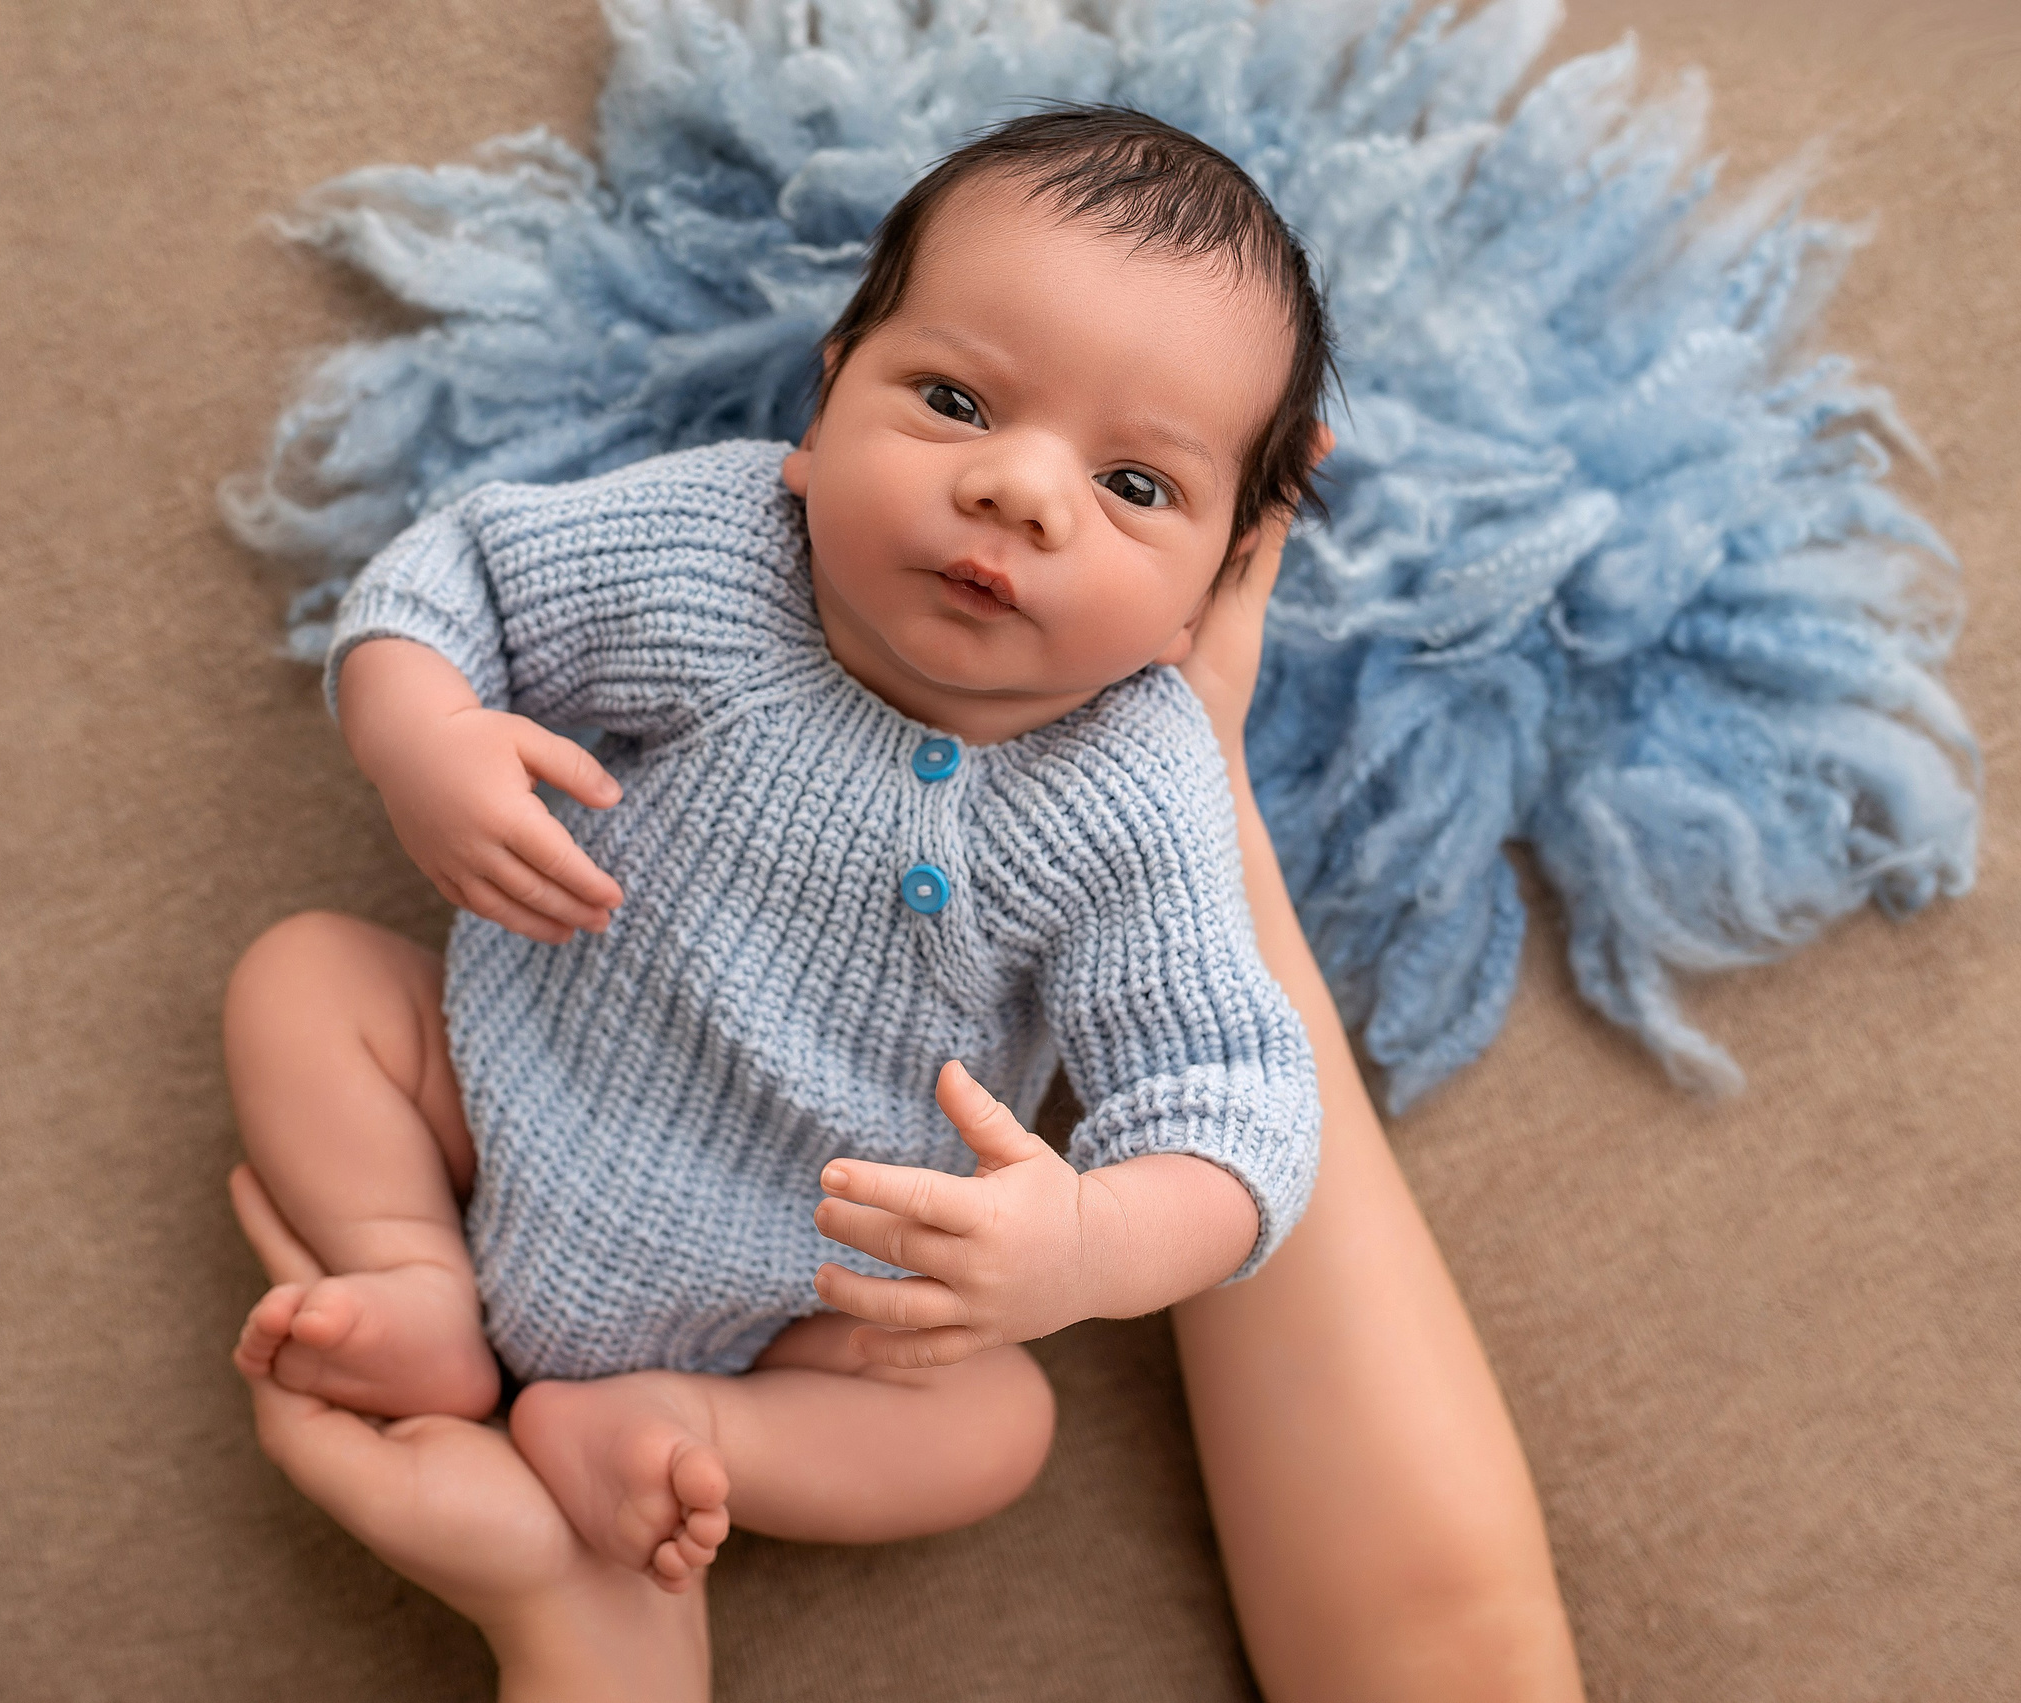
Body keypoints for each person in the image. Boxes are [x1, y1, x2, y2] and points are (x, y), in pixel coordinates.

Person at [227, 107, 1584, 1695]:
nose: (1018, 490)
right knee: (307, 981)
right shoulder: (727, 549)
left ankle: (680, 1430)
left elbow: (1236, 1101)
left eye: (1137, 483)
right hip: (503, 1084)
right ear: (822, 405)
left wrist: (1086, 1243)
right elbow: (455, 577)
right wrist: (423, 734)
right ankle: (412, 1271)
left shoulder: (1136, 790)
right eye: (952, 400)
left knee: (993, 1421)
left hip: (820, 1279)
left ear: (1222, 577)